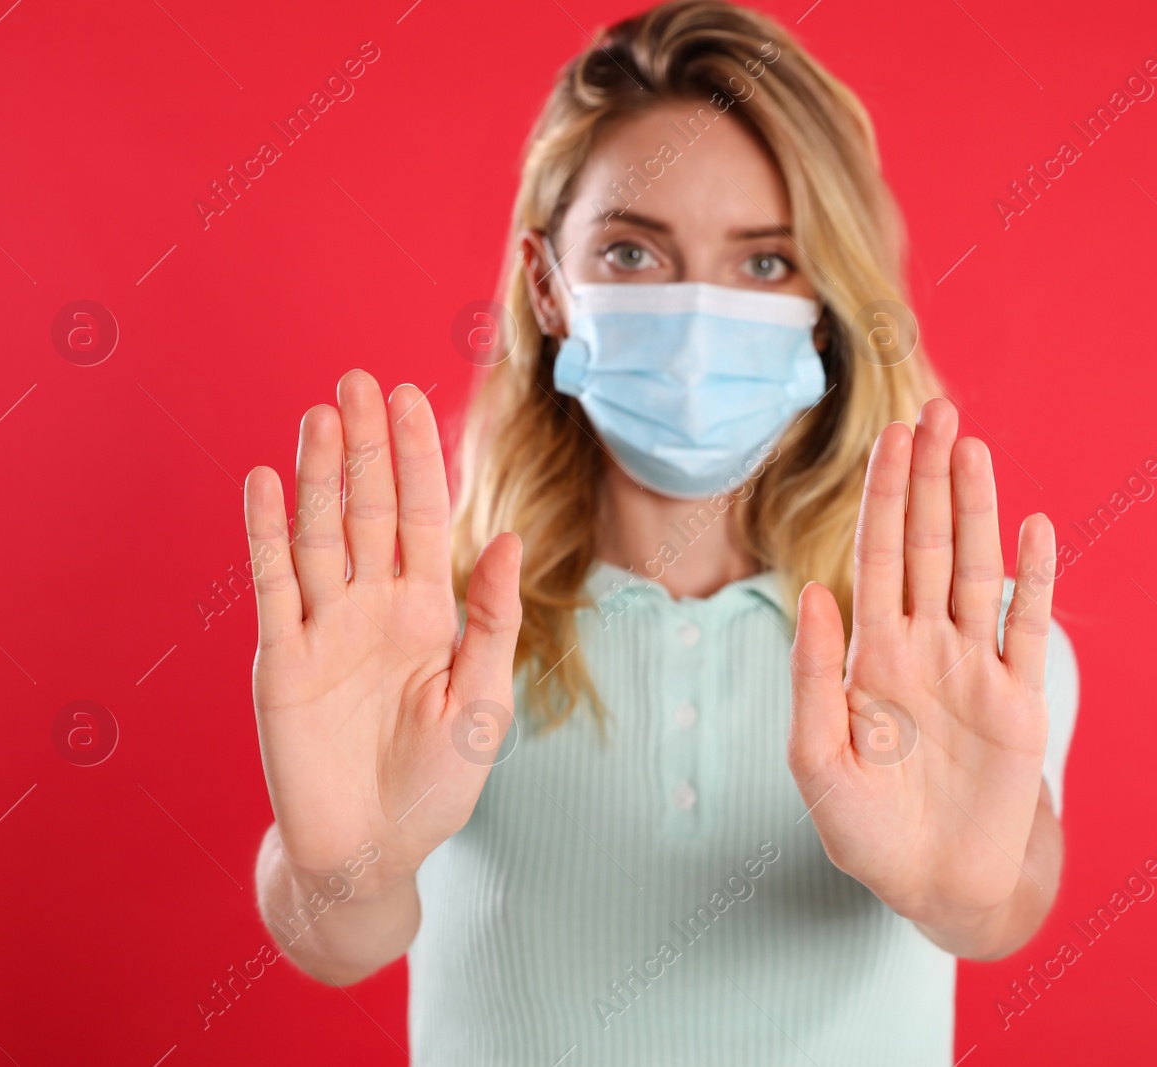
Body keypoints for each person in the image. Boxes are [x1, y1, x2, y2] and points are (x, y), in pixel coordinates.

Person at [241, 1, 1079, 1062]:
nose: (694, 317)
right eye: (634, 253)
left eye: (766, 263)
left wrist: (961, 888)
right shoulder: (424, 640)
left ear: (826, 305)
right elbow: (338, 936)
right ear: (549, 287)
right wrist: (340, 866)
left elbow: (1007, 897)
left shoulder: (965, 650)